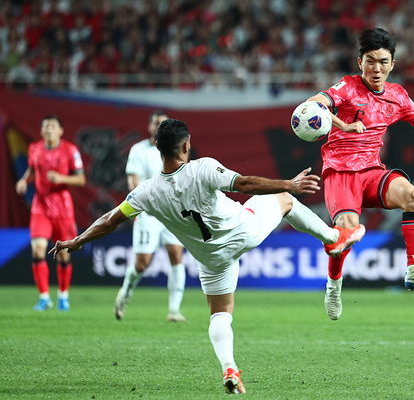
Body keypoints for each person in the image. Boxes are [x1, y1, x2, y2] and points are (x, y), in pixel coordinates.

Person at [49, 119, 365, 394]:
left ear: (158, 150)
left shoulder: (146, 192)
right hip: (244, 230)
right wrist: (289, 184)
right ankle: (333, 237)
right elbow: (243, 184)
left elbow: (110, 220)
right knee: (283, 200)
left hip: (212, 258)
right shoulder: (203, 168)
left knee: (220, 314)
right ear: (186, 146)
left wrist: (77, 241)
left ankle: (230, 369)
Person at [304, 28, 414, 321]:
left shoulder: (397, 95)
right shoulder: (347, 88)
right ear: (359, 62)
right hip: (341, 172)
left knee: (412, 196)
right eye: (371, 61)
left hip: (372, 173)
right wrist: (344, 124)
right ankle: (334, 286)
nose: (377, 68)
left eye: (383, 61)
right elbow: (313, 104)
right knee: (346, 235)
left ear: (393, 64)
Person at [115, 110, 187, 323]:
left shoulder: (176, 149)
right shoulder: (139, 150)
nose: (160, 126)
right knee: (142, 264)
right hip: (149, 213)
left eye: (164, 124)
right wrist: (141, 202)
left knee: (176, 256)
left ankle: (174, 310)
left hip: (172, 213)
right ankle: (125, 291)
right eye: (157, 123)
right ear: (150, 127)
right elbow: (132, 181)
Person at [15, 115, 86, 312]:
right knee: (37, 250)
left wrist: (61, 177)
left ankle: (63, 296)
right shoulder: (34, 148)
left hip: (62, 208)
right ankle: (44, 297)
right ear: (41, 131)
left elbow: (81, 180)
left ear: (60, 131)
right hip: (40, 207)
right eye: (46, 126)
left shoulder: (70, 150)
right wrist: (23, 181)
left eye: (53, 126)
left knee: (63, 255)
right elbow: (32, 170)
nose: (49, 130)